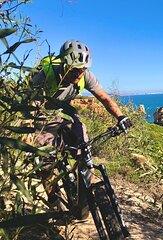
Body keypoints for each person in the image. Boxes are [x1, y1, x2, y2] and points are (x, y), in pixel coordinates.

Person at [31, 39, 132, 210]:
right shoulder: (45, 75)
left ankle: (86, 192)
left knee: (85, 148)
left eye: (83, 70)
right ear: (64, 64)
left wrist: (121, 116)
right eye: (75, 70)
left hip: (66, 113)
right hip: (45, 116)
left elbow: (105, 98)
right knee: (45, 161)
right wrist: (29, 134)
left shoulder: (86, 76)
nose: (79, 75)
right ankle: (54, 199)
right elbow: (30, 106)